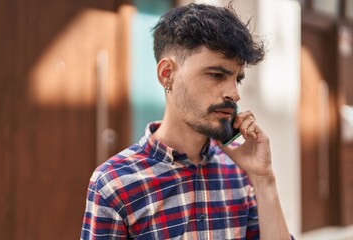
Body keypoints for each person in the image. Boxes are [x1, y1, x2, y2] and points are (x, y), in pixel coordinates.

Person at [81, 2, 294, 240]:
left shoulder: (240, 172)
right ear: (167, 74)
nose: (234, 94)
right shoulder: (114, 183)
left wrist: (263, 179)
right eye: (216, 75)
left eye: (237, 79)